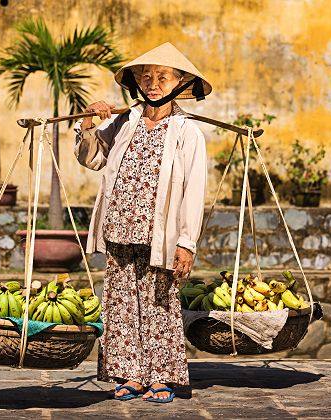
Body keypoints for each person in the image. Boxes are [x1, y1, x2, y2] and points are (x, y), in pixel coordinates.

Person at [73, 42, 211, 403]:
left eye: (163, 78)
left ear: (179, 83)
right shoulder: (124, 121)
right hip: (119, 227)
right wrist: (88, 122)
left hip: (159, 233)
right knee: (121, 303)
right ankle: (129, 374)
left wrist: (186, 242)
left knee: (159, 303)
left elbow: (194, 190)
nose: (153, 84)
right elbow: (92, 158)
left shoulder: (186, 131)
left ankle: (161, 375)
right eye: (146, 77)